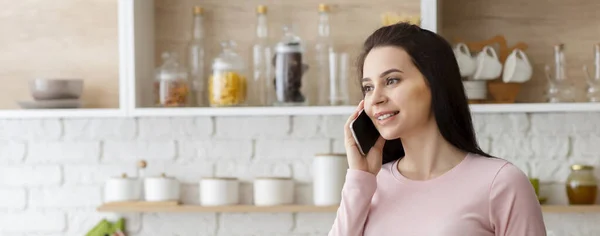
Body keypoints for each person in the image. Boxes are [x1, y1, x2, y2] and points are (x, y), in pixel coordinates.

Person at [328, 22, 546, 236]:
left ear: (435, 83)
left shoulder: (501, 183)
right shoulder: (369, 185)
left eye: (392, 80)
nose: (375, 99)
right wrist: (360, 178)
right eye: (368, 87)